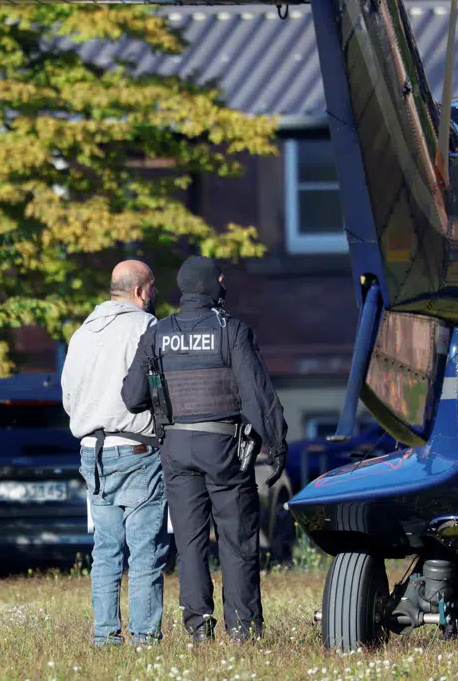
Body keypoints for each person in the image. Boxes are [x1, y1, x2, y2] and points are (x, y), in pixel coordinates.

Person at [122, 256, 288, 643]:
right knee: (237, 540)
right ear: (210, 285)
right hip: (224, 449)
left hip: (176, 449)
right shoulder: (231, 331)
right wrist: (277, 445)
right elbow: (257, 396)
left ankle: (198, 629)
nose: (224, 282)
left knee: (190, 544)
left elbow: (132, 397)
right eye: (220, 278)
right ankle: (244, 631)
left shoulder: (158, 334)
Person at [61, 260, 166, 647]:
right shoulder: (147, 328)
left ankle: (105, 636)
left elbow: (69, 398)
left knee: (105, 550)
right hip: (137, 450)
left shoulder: (81, 334)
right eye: (152, 288)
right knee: (145, 551)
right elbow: (159, 393)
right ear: (141, 291)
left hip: (93, 451)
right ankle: (144, 639)